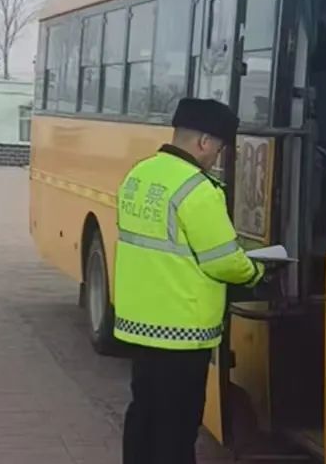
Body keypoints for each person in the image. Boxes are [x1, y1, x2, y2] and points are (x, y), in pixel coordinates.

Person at [113, 97, 266, 464]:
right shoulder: (198, 190)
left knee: (144, 414)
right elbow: (225, 262)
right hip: (181, 331)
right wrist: (257, 270)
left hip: (139, 324)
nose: (217, 157)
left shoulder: (139, 175)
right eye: (220, 148)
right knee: (177, 427)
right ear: (205, 143)